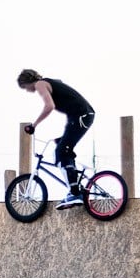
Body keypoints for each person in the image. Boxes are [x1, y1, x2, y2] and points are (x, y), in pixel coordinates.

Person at [17, 69, 95, 209]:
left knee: (60, 152)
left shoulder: (40, 84)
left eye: (24, 87)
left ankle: (74, 193)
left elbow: (49, 106)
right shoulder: (50, 82)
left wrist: (34, 125)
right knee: (63, 148)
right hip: (82, 115)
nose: (27, 91)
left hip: (80, 116)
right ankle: (77, 188)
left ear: (27, 82)